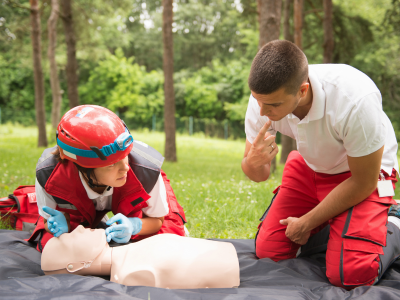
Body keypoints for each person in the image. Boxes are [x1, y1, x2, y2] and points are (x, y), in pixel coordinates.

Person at [242, 40, 400, 289]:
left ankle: (393, 221)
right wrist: (252, 162)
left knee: (353, 274)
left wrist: (307, 222)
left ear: (302, 91)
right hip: (310, 166)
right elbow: (258, 174)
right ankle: (338, 226)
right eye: (257, 101)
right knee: (269, 252)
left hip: (363, 173)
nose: (261, 111)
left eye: (273, 105)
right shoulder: (264, 99)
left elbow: (363, 181)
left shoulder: (355, 100)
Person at [28, 105, 187, 251]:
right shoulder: (49, 175)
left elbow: (158, 220)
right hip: (80, 204)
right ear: (82, 166)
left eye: (125, 157)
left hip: (134, 196)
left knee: (169, 239)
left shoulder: (147, 171)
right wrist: (57, 226)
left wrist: (135, 226)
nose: (125, 167)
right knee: (54, 247)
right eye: (112, 164)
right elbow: (47, 222)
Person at [41, 225, 240, 289]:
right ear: (72, 266)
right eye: (69, 238)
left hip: (225, 259)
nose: (79, 228)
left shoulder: (131, 256)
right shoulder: (131, 273)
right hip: (227, 270)